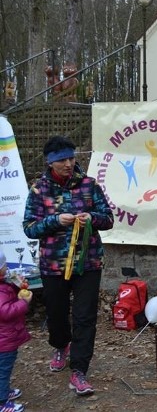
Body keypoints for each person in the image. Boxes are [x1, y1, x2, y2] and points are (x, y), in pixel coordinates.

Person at [23, 136, 114, 396]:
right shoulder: (39, 189)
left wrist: (91, 218)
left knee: (85, 317)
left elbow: (108, 219)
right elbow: (29, 228)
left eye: (71, 158)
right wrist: (55, 221)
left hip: (88, 262)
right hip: (53, 264)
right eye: (62, 160)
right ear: (50, 162)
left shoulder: (89, 185)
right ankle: (61, 345)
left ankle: (79, 371)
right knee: (57, 314)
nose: (68, 163)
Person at [0, 249, 32, 412]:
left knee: (4, 369)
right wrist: (23, 302)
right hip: (3, 342)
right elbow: (5, 311)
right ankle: (2, 402)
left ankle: (4, 391)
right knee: (2, 371)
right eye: (4, 265)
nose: (7, 268)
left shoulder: (2, 284)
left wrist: (16, 283)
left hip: (6, 339)